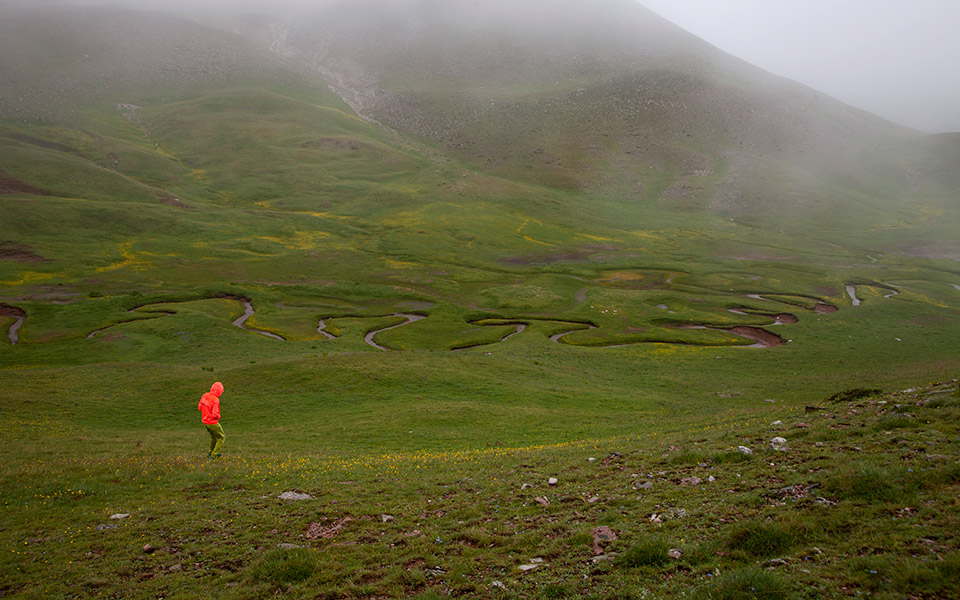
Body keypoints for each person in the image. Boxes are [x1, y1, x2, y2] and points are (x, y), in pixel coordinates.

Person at [198, 381, 225, 458]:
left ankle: (210, 453)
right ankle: (214, 455)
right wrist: (219, 417)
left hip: (206, 422)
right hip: (213, 422)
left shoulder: (205, 395)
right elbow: (215, 414)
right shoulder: (215, 400)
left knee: (213, 437)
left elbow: (200, 407)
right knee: (221, 437)